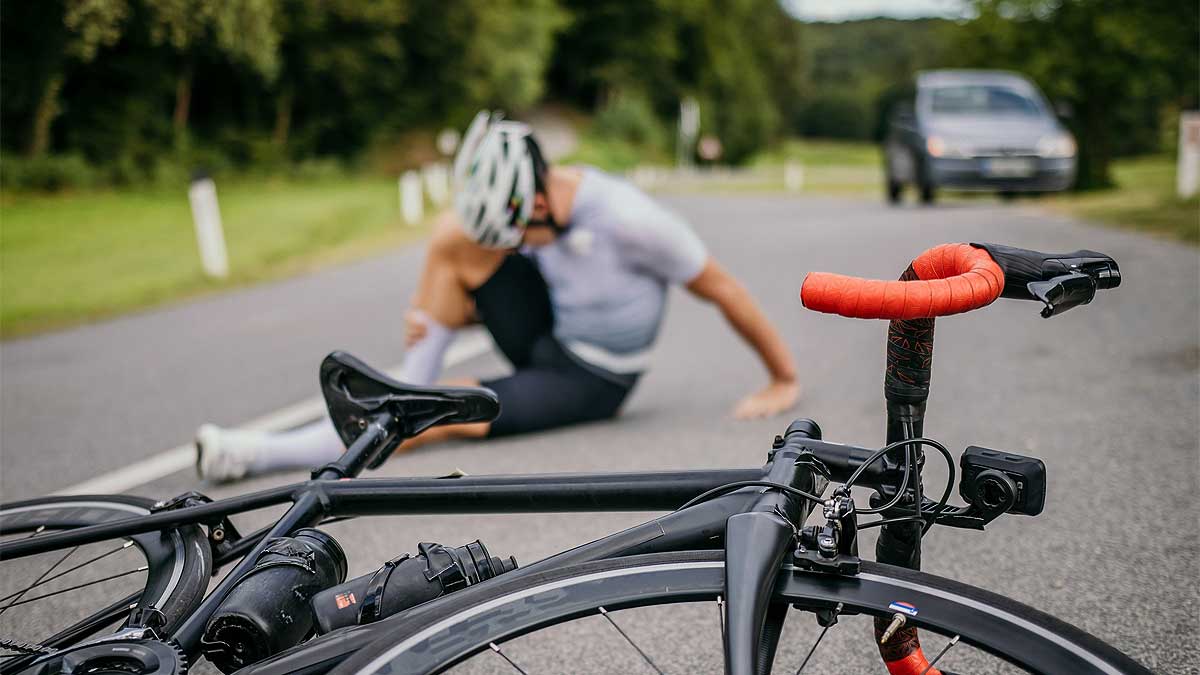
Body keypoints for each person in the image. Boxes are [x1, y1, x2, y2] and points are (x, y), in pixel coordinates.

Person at [196, 112, 799, 482]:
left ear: (537, 202)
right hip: (550, 332)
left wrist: (781, 379)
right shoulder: (534, 209)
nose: (513, 247)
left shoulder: (630, 221)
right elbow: (503, 263)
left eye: (515, 237)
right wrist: (443, 319)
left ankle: (253, 455)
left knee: (442, 418)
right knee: (450, 239)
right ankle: (414, 381)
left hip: (593, 377)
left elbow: (724, 289)